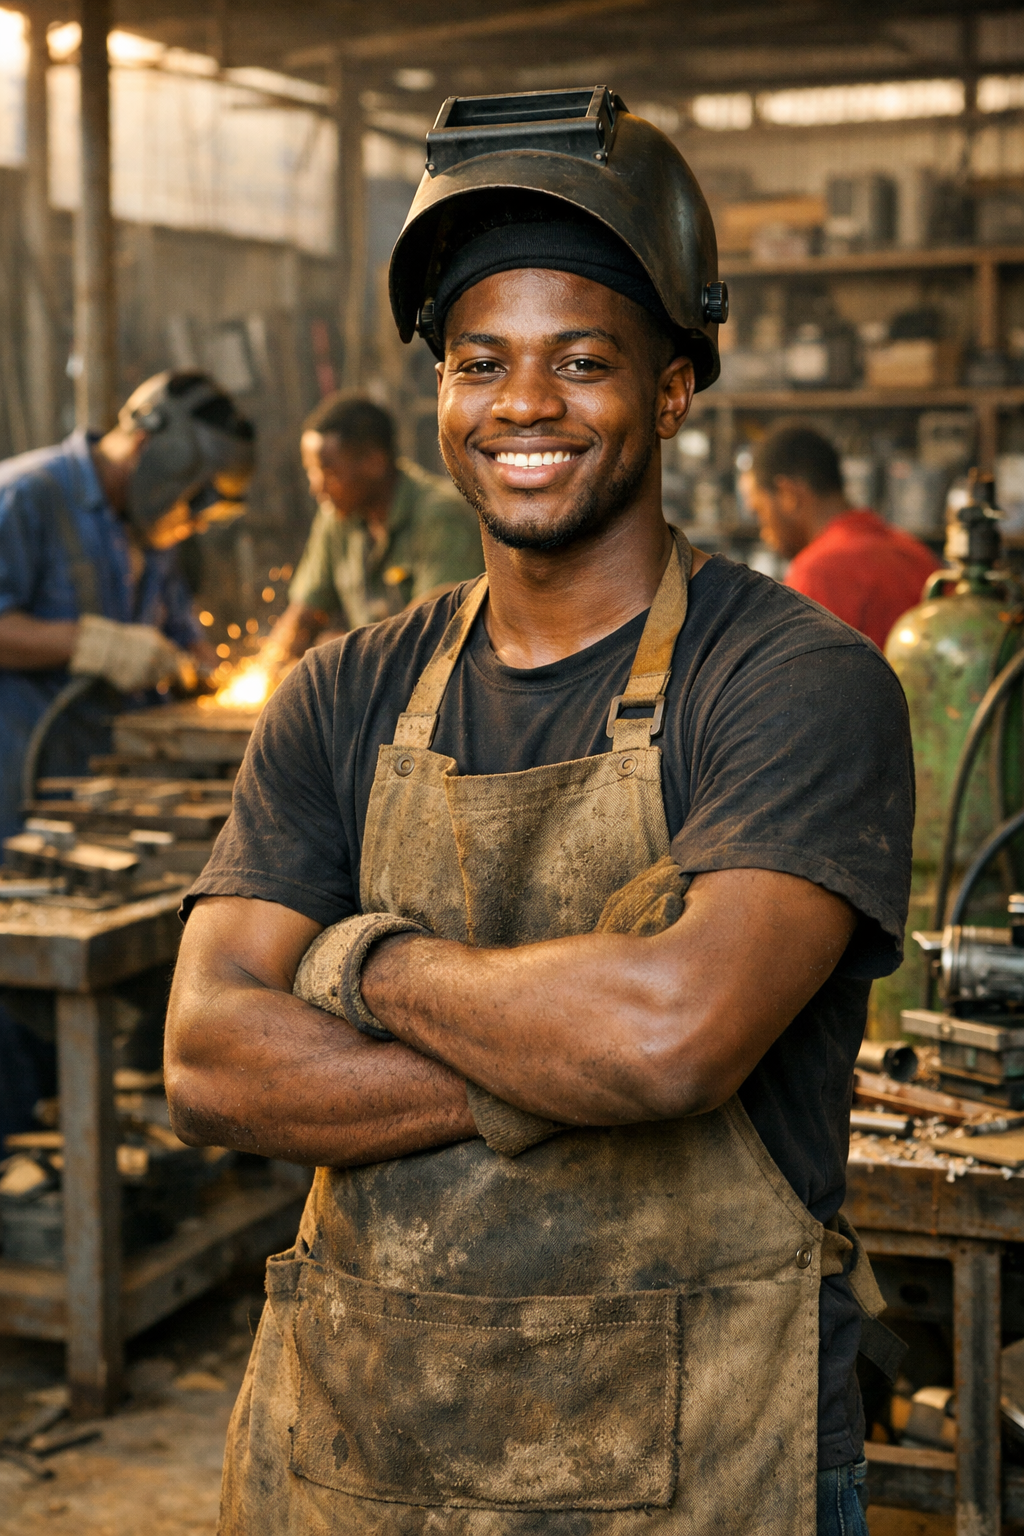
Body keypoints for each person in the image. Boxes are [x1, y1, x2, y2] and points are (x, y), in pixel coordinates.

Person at [166, 91, 914, 1536]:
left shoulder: (794, 684)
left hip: (703, 1462)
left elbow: (669, 1039)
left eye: (581, 361)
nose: (523, 406)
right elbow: (207, 1058)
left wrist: (358, 964)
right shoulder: (341, 693)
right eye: (480, 363)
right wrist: (556, 1060)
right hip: (363, 1450)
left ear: (673, 392)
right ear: (443, 393)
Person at [0, 369, 253, 1146]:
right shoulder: (28, 496)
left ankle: (82, 1159)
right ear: (150, 449)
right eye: (196, 496)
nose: (196, 517)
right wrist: (84, 642)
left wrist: (194, 664)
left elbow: (182, 643)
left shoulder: (150, 536)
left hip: (102, 816)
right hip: (15, 801)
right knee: (14, 1032)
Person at [267, 393, 483, 660]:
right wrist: (269, 668)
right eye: (311, 471)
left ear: (374, 462)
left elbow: (434, 628)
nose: (317, 487)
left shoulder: (441, 515)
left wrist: (344, 654)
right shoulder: (336, 517)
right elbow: (304, 615)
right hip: (373, 672)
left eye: (329, 472)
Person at [743, 423, 941, 649]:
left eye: (760, 511)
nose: (763, 532)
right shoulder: (916, 553)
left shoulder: (816, 572)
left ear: (788, 495)